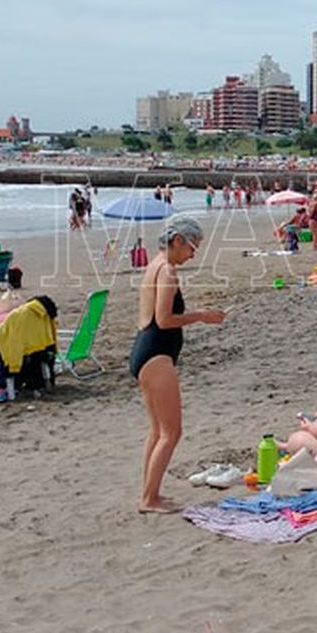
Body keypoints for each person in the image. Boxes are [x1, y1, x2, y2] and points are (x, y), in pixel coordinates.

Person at [129, 215, 226, 514]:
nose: (194, 253)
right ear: (178, 240)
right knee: (171, 432)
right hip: (156, 353)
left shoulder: (155, 265)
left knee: (158, 431)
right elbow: (164, 319)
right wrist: (201, 316)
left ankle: (150, 493)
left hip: (146, 351)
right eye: (193, 246)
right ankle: (149, 499)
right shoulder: (167, 271)